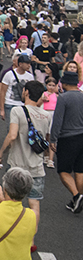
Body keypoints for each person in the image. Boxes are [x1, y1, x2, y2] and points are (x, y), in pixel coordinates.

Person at [0, 81, 51, 251]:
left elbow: (12, 136)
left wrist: (0, 153)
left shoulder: (18, 111)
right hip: (37, 168)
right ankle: (30, 241)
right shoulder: (46, 115)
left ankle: (7, 235)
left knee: (9, 201)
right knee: (34, 205)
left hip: (17, 166)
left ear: (26, 92)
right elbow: (46, 141)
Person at [49, 71, 83, 214]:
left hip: (67, 138)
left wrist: (53, 139)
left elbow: (58, 120)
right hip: (82, 136)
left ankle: (77, 196)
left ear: (65, 83)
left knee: (63, 171)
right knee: (80, 170)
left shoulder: (63, 98)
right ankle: (76, 201)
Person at [0, 55, 34, 123]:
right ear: (20, 64)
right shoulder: (9, 74)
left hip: (23, 105)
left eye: (29, 63)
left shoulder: (30, 76)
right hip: (10, 103)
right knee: (11, 127)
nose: (29, 65)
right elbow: (3, 92)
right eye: (27, 63)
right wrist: (2, 109)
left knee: (22, 128)